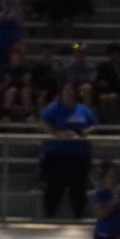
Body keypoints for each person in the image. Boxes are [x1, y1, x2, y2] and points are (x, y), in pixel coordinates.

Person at [39, 83, 96, 219]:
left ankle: (78, 216)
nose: (69, 93)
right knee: (54, 187)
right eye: (66, 90)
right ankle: (49, 215)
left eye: (71, 90)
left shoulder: (82, 109)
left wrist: (84, 132)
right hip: (57, 154)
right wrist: (59, 134)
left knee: (78, 188)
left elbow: (93, 124)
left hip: (79, 155)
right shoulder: (54, 108)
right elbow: (45, 124)